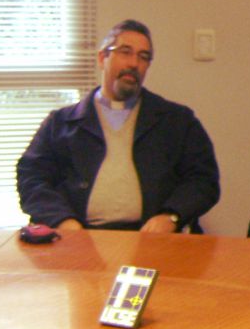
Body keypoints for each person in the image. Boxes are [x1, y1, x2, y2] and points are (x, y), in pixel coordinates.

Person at [17, 19, 220, 233]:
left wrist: (170, 216)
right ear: (102, 58)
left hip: (153, 239)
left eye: (143, 57)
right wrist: (62, 221)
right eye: (125, 52)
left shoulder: (177, 121)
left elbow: (204, 180)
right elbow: (31, 179)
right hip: (79, 236)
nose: (134, 63)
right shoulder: (60, 124)